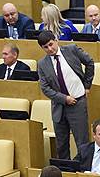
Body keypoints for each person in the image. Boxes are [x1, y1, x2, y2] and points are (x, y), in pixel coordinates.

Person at [36, 30, 94, 159]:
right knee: (61, 145)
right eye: (45, 47)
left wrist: (87, 85)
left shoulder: (71, 50)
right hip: (59, 107)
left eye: (51, 44)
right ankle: (64, 169)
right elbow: (45, 88)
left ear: (56, 40)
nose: (50, 49)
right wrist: (64, 98)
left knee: (82, 142)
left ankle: (83, 168)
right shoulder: (42, 64)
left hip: (78, 104)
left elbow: (89, 62)